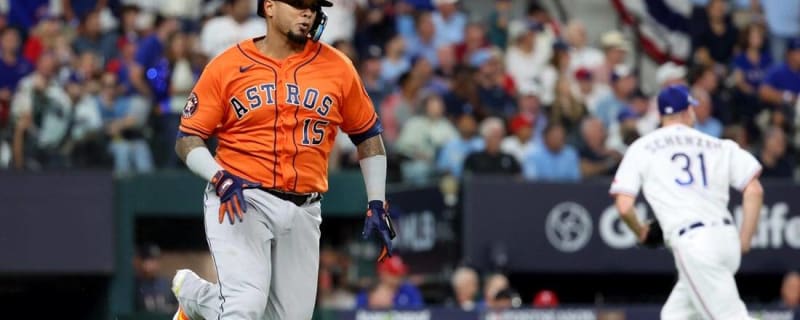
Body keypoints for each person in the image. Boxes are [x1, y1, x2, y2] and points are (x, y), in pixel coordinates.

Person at [170, 1, 396, 319]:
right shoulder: (228, 65)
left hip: (305, 207)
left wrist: (376, 202)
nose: (308, 13)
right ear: (270, 6)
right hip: (241, 197)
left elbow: (367, 135)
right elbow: (187, 139)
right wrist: (218, 176)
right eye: (299, 4)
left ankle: (198, 299)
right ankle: (205, 300)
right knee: (244, 306)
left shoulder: (338, 67)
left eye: (313, 7)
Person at [610, 84, 764, 320]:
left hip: (694, 244)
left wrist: (640, 231)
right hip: (726, 238)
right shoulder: (717, 144)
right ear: (686, 112)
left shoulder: (642, 147)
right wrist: (744, 240)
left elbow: (624, 206)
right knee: (675, 315)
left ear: (662, 115)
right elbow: (754, 190)